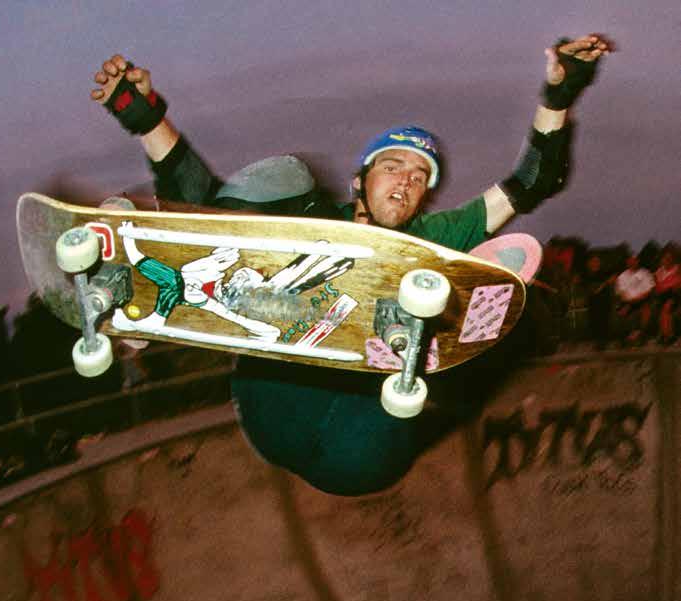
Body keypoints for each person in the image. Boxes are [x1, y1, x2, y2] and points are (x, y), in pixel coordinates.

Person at [91, 35, 613, 495]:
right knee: (283, 179)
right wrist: (146, 118)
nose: (406, 181)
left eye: (420, 177)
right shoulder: (312, 217)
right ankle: (141, 287)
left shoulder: (434, 235)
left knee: (432, 280)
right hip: (274, 412)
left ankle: (413, 327)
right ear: (360, 181)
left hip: (362, 444)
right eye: (393, 166)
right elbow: (211, 205)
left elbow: (532, 181)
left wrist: (559, 95)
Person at [613, 253, 655, 345]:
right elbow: (621, 293)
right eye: (630, 261)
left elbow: (649, 290)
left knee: (645, 310)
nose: (632, 263)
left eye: (634, 260)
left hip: (642, 300)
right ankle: (624, 338)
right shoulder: (622, 276)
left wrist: (636, 300)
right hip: (627, 301)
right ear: (627, 262)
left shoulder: (645, 273)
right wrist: (629, 301)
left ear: (638, 261)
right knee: (621, 311)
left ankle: (640, 336)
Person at [653, 246, 681, 345]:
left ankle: (667, 335)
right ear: (662, 260)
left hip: (675, 294)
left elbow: (677, 283)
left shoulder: (677, 268)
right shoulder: (659, 271)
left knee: (666, 309)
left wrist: (666, 285)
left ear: (673, 259)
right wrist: (666, 285)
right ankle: (666, 335)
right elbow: (658, 287)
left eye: (669, 258)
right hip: (662, 295)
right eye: (665, 258)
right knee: (662, 312)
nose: (667, 260)